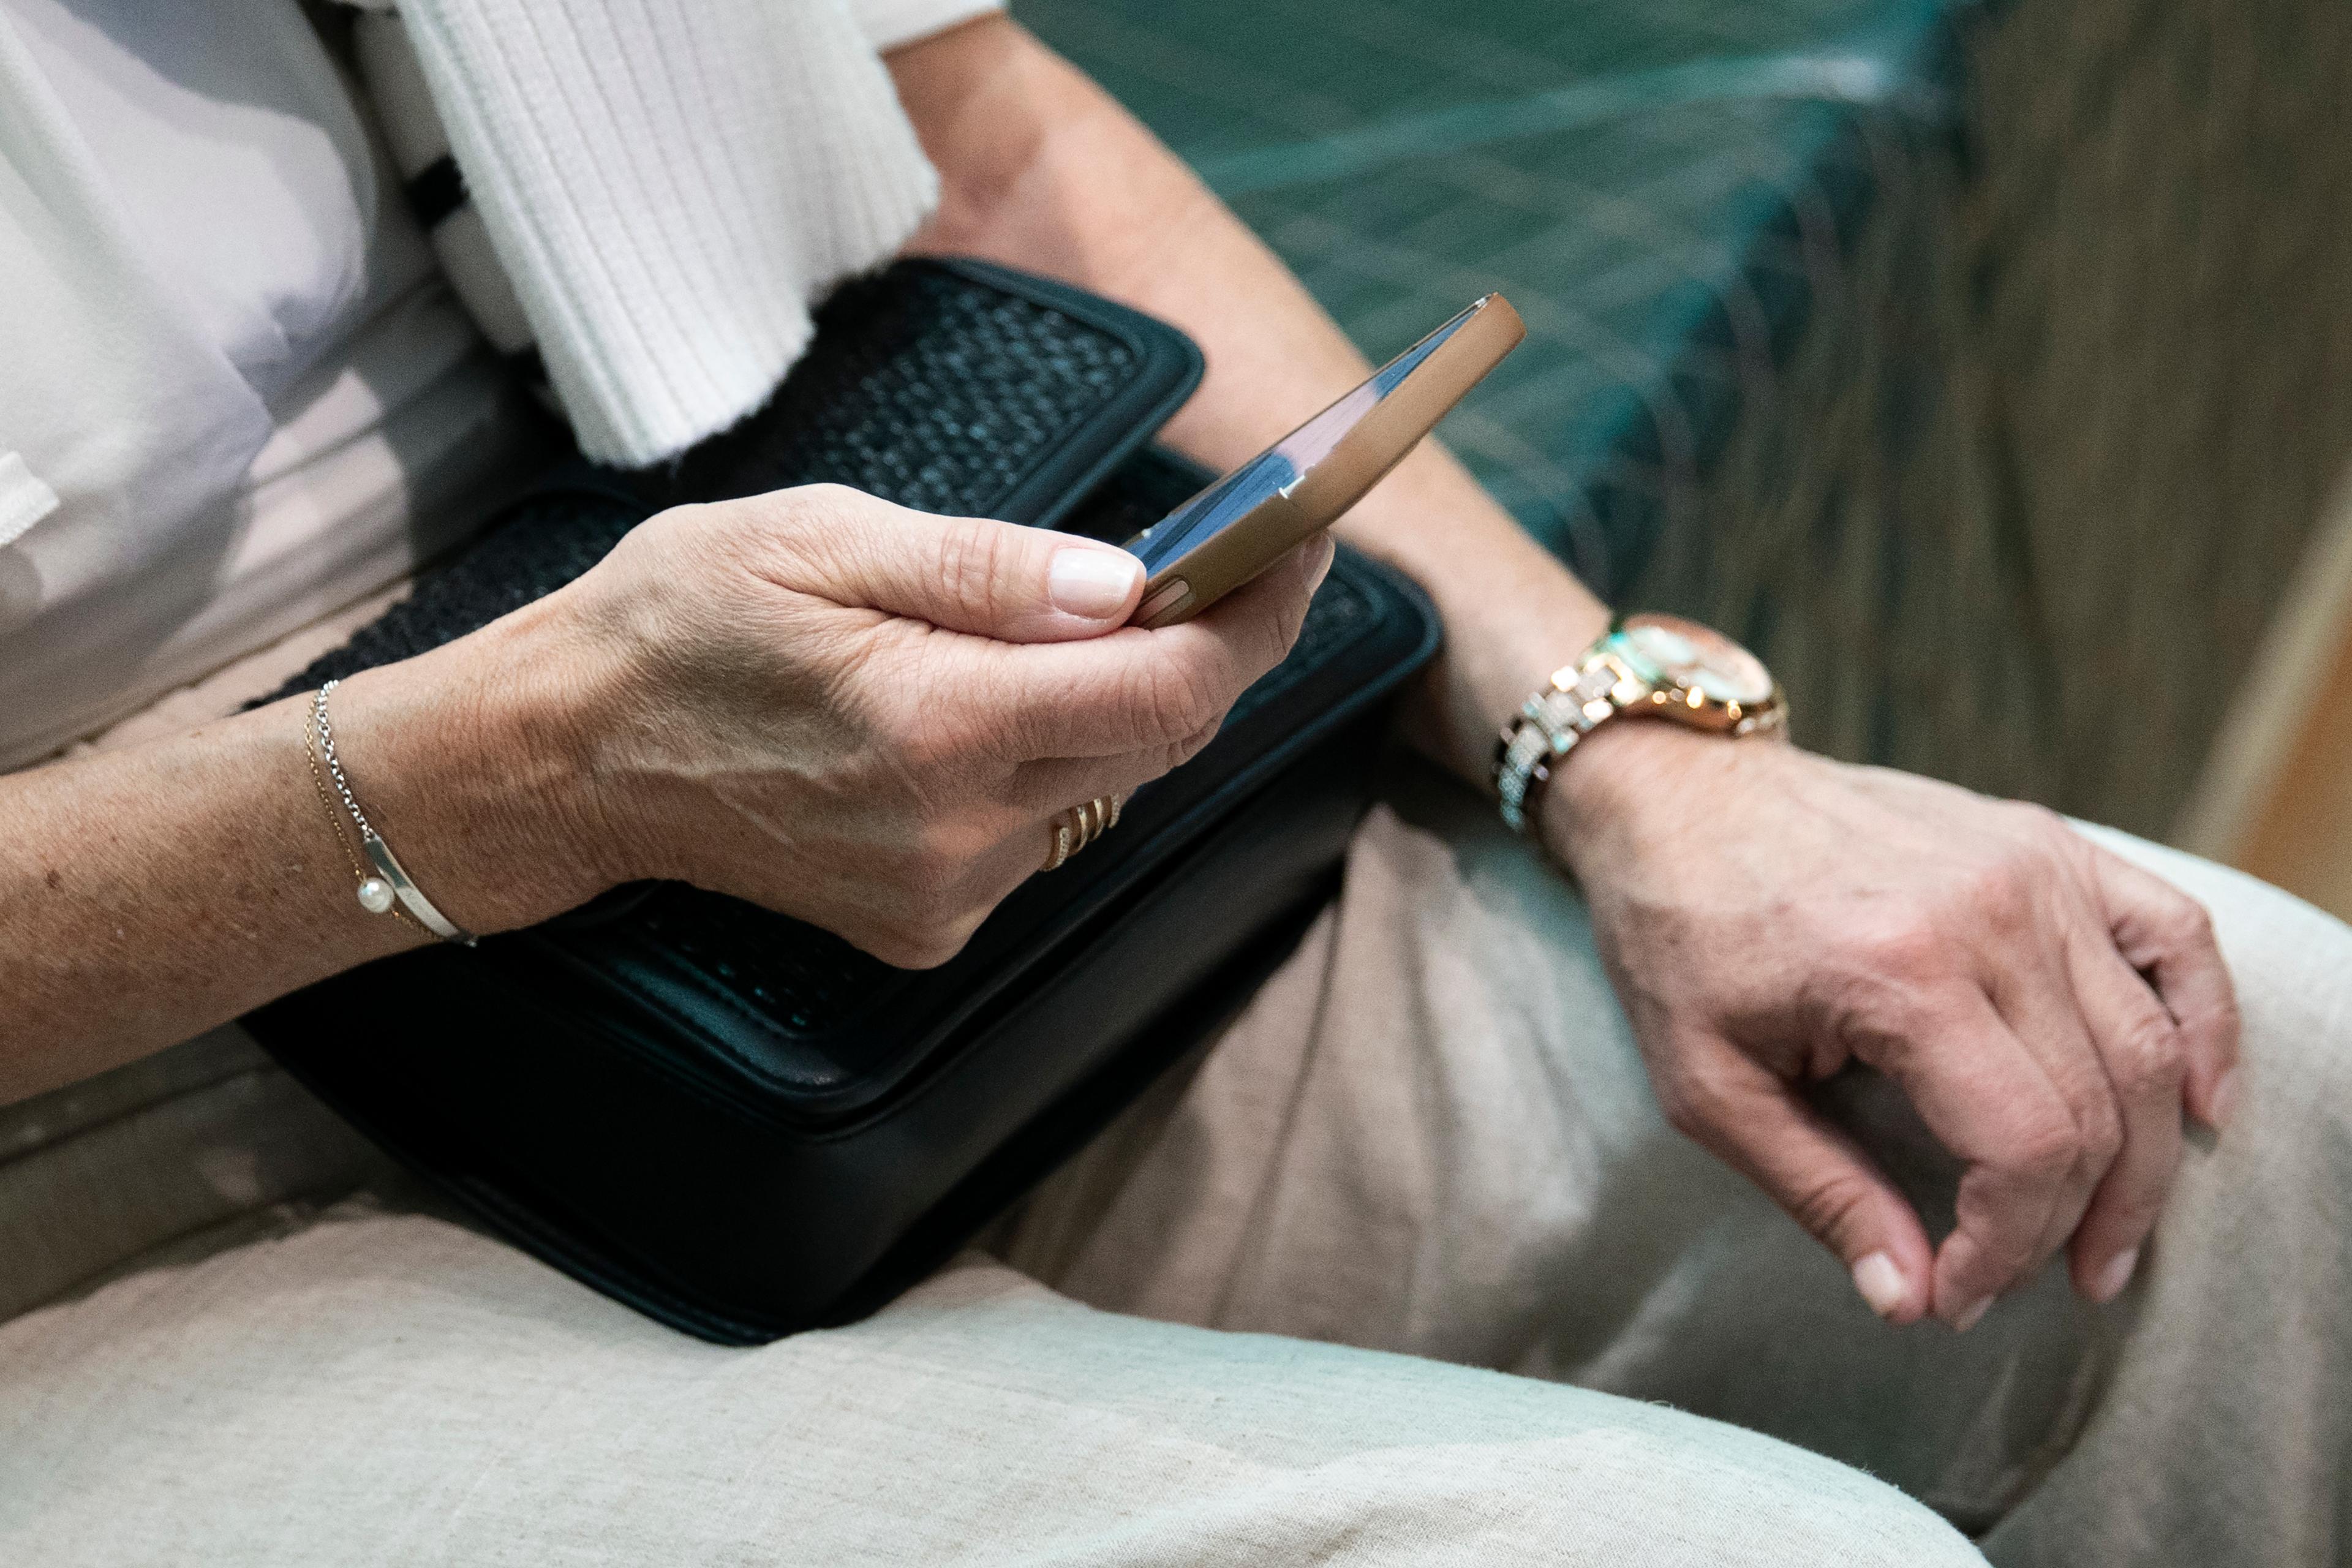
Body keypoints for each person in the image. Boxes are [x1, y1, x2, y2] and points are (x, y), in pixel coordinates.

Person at [0, 2, 2342, 1563]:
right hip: (110, 1163)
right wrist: (539, 767)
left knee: (2264, 1098)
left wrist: (1621, 745)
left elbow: (970, 125)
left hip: (811, 764)